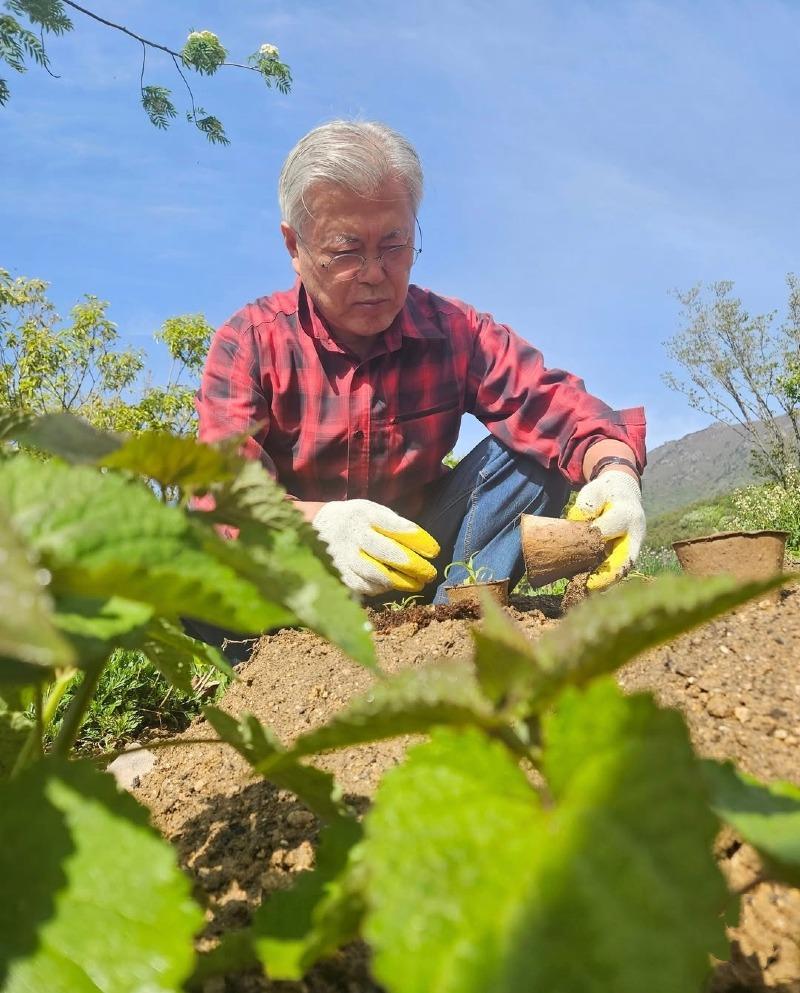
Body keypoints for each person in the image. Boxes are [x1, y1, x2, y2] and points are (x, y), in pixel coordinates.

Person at [194, 119, 646, 631]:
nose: (374, 273)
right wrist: (316, 526)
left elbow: (553, 407)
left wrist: (615, 471)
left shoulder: (456, 331)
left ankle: (451, 625)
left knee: (532, 456)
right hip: (291, 583)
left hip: (421, 561)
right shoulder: (250, 342)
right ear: (294, 247)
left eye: (395, 245)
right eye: (345, 251)